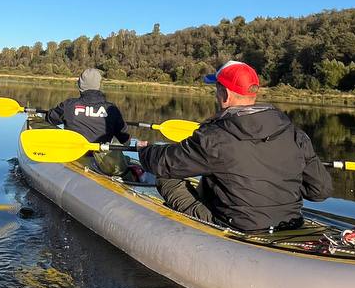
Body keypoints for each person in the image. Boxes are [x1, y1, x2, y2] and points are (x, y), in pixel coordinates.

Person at [137, 60, 332, 231]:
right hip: (291, 222)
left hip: (236, 226)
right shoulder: (296, 134)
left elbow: (164, 163)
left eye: (217, 89)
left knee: (165, 175)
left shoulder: (214, 137)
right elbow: (319, 191)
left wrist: (145, 151)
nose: (216, 95)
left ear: (225, 94)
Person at [45, 67, 130, 145]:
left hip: (74, 153)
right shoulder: (112, 110)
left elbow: (50, 118)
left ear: (80, 86)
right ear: (99, 85)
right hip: (101, 154)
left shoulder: (68, 105)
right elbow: (126, 140)